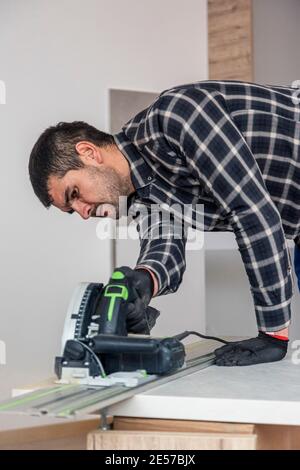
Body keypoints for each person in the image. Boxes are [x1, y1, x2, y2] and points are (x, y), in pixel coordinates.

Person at [29, 79, 300, 366]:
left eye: (74, 194)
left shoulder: (176, 117)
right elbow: (165, 250)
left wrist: (274, 333)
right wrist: (143, 282)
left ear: (89, 153)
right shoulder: (147, 195)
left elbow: (251, 210)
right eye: (72, 210)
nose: (83, 212)